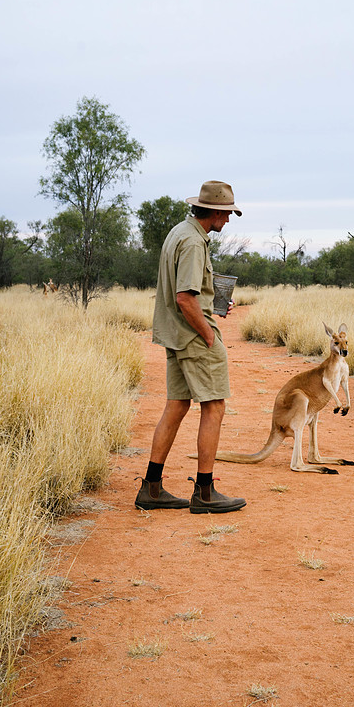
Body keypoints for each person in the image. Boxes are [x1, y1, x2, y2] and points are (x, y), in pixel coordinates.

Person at [134, 181, 246, 514]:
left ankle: (152, 489)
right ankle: (206, 492)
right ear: (212, 211)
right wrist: (209, 335)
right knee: (214, 408)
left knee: (177, 406)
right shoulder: (195, 242)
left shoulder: (178, 232)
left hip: (174, 335)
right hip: (194, 337)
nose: (227, 221)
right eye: (225, 214)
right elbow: (185, 297)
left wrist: (215, 301)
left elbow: (187, 292)